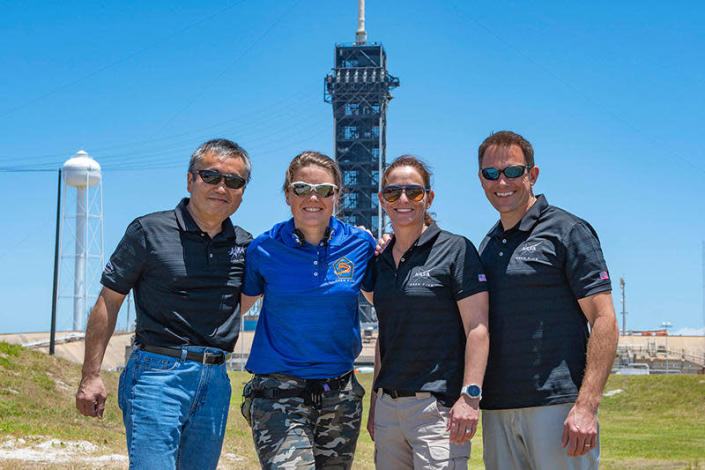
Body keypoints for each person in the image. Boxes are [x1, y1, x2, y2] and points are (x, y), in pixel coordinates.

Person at [75, 139, 253, 470]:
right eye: (211, 176)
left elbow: (246, 299)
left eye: (234, 181)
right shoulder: (148, 231)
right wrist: (91, 374)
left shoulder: (245, 244)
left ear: (243, 190)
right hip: (157, 375)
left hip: (215, 380)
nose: (221, 187)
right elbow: (109, 301)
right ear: (190, 180)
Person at [476, 131, 619, 469]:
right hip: (497, 407)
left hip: (557, 407)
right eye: (491, 173)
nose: (502, 182)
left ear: (532, 174)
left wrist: (586, 406)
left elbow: (604, 319)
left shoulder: (567, 230)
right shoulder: (487, 244)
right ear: (481, 179)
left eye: (512, 171)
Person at [240, 151, 375, 469]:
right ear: (287, 194)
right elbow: (234, 306)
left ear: (337, 197)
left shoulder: (361, 245)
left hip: (339, 397)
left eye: (325, 190)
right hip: (279, 394)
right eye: (301, 188)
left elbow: (391, 302)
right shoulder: (264, 249)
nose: (313, 197)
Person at [361, 155, 490, 469]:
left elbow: (478, 327)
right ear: (382, 199)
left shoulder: (456, 250)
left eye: (413, 192)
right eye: (392, 193)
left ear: (428, 198)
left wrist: (470, 397)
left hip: (437, 411)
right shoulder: (379, 262)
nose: (403, 200)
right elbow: (387, 336)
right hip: (389, 409)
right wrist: (375, 402)